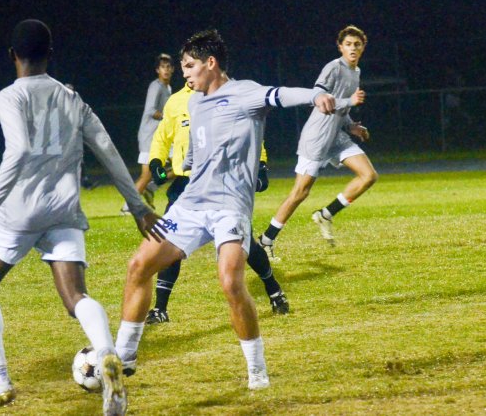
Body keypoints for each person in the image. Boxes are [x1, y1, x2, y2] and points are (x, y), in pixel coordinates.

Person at [113, 29, 361, 390]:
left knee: (230, 280)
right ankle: (123, 359)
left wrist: (317, 95)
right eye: (183, 67)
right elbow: (198, 153)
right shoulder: (194, 102)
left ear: (210, 64)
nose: (185, 73)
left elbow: (280, 94)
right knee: (139, 265)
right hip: (192, 203)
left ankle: (257, 372)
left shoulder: (244, 93)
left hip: (230, 208)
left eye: (190, 66)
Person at [0, 19, 158, 416]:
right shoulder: (72, 98)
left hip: (20, 211)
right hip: (63, 207)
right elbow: (107, 150)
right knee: (75, 295)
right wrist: (138, 206)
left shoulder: (9, 97)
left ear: (12, 56)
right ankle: (108, 355)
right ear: (51, 55)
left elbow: (18, 149)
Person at [144, 80, 289, 325]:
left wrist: (261, 165)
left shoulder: (230, 94)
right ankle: (160, 309)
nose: (190, 71)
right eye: (186, 65)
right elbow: (162, 136)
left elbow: (251, 130)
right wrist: (156, 161)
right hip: (185, 186)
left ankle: (274, 290)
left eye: (194, 64)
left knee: (244, 244)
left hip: (222, 182)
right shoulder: (176, 101)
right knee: (169, 243)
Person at [258, 25, 375, 255]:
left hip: (337, 136)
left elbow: (341, 105)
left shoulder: (356, 72)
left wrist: (351, 125)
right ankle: (266, 239)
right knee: (300, 193)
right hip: (317, 137)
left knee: (369, 175)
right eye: (348, 44)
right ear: (340, 46)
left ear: (363, 48)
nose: (353, 48)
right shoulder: (333, 67)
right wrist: (349, 102)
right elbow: (318, 99)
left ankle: (326, 214)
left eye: (357, 44)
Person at [120, 54, 174, 215]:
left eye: (169, 67)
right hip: (149, 136)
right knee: (146, 175)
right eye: (163, 67)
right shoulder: (155, 86)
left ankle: (153, 186)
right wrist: (170, 118)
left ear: (173, 69)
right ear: (157, 70)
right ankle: (128, 206)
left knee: (181, 164)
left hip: (161, 136)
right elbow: (151, 111)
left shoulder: (168, 88)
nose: (166, 70)